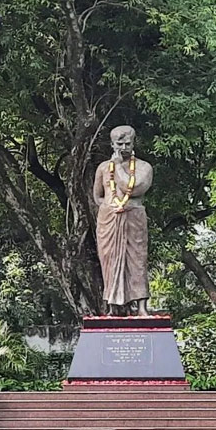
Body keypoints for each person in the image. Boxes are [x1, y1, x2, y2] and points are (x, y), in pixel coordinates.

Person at [92, 126, 153, 316]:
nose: (124, 147)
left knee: (137, 260)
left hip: (133, 216)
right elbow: (97, 196)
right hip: (109, 219)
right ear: (112, 144)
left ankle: (141, 306)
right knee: (109, 262)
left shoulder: (144, 167)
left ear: (134, 144)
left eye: (128, 144)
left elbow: (132, 189)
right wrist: (109, 207)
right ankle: (113, 307)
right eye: (119, 144)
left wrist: (118, 166)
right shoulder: (103, 168)